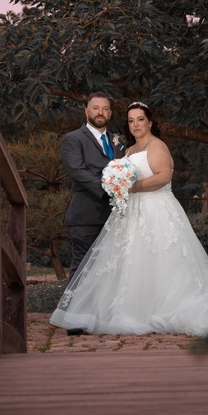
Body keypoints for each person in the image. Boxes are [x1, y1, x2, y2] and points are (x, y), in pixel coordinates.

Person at [49, 101, 208, 336]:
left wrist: (131, 187)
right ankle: (132, 309)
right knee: (130, 261)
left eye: (140, 119)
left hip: (157, 210)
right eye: (131, 120)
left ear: (150, 122)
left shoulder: (157, 145)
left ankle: (165, 309)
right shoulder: (128, 150)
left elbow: (163, 176)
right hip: (130, 212)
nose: (135, 124)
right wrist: (119, 185)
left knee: (160, 259)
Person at [60, 92, 124, 280]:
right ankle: (75, 310)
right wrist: (108, 193)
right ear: (87, 111)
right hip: (86, 216)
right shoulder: (73, 139)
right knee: (83, 269)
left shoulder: (118, 141)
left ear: (110, 114)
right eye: (96, 108)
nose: (100, 112)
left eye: (105, 109)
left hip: (115, 218)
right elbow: (78, 172)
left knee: (110, 271)